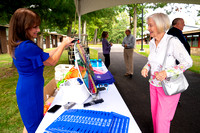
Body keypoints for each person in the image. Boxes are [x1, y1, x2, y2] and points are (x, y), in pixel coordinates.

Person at [8, 8, 74, 133]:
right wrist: (62, 43)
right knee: (35, 126)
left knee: (33, 121)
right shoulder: (27, 46)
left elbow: (44, 55)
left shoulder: (20, 44)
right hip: (30, 91)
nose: (38, 30)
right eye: (35, 27)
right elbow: (52, 61)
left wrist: (63, 46)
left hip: (29, 88)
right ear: (23, 27)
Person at [141, 13, 192, 133]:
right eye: (148, 25)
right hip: (153, 85)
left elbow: (188, 62)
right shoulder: (152, 42)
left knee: (162, 120)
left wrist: (166, 72)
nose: (148, 28)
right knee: (155, 117)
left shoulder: (172, 41)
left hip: (168, 86)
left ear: (160, 25)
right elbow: (151, 60)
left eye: (150, 25)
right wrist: (146, 67)